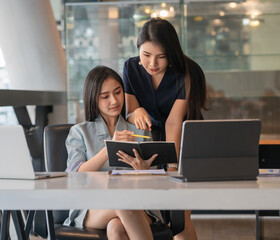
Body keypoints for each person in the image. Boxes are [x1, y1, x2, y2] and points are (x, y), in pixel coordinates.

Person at [122, 18, 208, 240]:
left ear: (172, 53)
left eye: (161, 56)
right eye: (146, 55)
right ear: (138, 49)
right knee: (158, 212)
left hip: (185, 137)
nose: (152, 63)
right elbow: (130, 111)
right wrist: (137, 111)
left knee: (179, 214)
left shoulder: (188, 72)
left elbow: (174, 122)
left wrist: (172, 167)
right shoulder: (130, 68)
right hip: (153, 138)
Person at [64, 65, 163, 240]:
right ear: (94, 99)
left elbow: (154, 183)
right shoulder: (79, 132)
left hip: (138, 205)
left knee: (116, 228)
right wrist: (109, 148)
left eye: (118, 93)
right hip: (92, 208)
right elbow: (74, 176)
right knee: (122, 202)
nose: (114, 101)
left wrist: (143, 170)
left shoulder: (139, 131)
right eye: (105, 96)